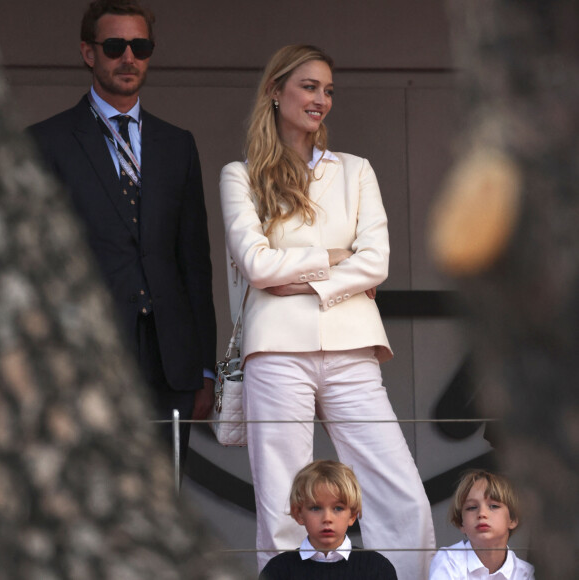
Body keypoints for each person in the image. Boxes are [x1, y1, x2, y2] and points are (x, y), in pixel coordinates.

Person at [219, 44, 435, 579]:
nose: (321, 99)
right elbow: (255, 263)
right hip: (276, 350)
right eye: (309, 86)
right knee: (282, 502)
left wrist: (305, 283)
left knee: (400, 492)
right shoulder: (239, 176)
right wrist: (334, 260)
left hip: (352, 347)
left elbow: (377, 262)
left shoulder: (356, 171)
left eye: (328, 90)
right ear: (276, 91)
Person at [28, 0, 216, 470]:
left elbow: (194, 262)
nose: (128, 58)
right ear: (88, 53)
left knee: (163, 498)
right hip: (84, 355)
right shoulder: (45, 141)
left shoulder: (177, 144)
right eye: (114, 46)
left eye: (140, 46)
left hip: (170, 360)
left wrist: (206, 369)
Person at [259, 460, 398, 579]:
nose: (327, 519)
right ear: (299, 514)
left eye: (338, 508)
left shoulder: (377, 568)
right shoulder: (278, 570)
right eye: (315, 508)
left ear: (352, 516)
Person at [429, 470, 535, 579]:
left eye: (493, 506)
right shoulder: (448, 561)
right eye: (472, 507)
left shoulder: (526, 573)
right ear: (461, 523)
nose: (481, 514)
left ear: (512, 519)